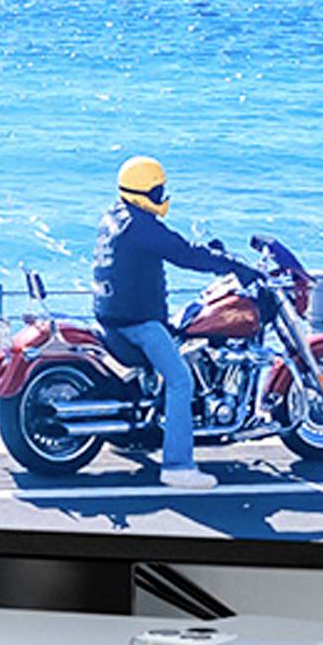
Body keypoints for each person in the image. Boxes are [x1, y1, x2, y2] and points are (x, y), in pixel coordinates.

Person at [91, 155, 228, 490]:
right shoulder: (142, 227)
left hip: (111, 316)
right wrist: (232, 266)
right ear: (144, 192)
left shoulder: (116, 217)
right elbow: (184, 254)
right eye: (158, 190)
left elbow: (174, 248)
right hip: (138, 325)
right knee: (181, 381)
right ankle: (178, 466)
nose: (162, 195)